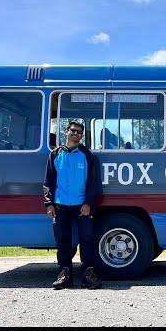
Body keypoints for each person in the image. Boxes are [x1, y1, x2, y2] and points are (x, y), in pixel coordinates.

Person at [43, 120, 103, 289]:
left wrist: (88, 203)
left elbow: (94, 182)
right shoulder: (55, 154)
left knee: (87, 239)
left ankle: (88, 274)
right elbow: (48, 181)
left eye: (79, 132)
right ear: (66, 132)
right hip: (60, 205)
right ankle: (65, 274)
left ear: (82, 136)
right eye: (73, 130)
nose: (76, 134)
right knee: (62, 240)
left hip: (82, 205)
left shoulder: (88, 156)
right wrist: (49, 203)